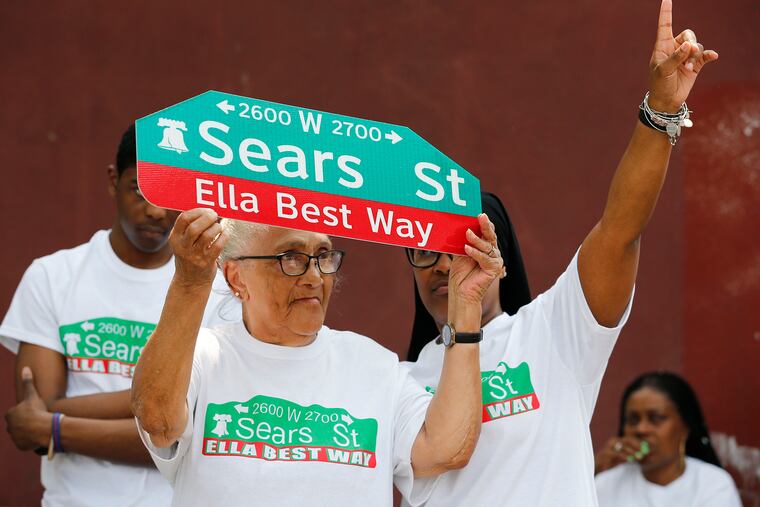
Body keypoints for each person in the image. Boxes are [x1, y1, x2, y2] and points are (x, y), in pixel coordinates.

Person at [399, 1, 719, 505]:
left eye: (465, 248)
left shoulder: (553, 334)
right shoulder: (398, 383)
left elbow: (620, 232)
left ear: (499, 257)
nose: (444, 264)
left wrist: (659, 113)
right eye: (425, 251)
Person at [130, 210, 503, 506]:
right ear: (235, 277)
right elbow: (159, 421)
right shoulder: (202, 356)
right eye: (290, 258)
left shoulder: (374, 367)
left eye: (323, 256)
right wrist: (190, 282)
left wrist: (466, 308)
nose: (313, 275)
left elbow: (445, 449)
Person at [1, 124, 236, 507]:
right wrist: (165, 401)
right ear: (114, 181)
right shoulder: (52, 277)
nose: (156, 210)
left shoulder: (221, 291)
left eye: (170, 195)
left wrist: (54, 426)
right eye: (140, 191)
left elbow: (196, 434)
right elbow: (170, 425)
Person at [595, 372, 741, 506]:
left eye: (656, 418)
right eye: (633, 420)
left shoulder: (713, 485)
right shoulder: (604, 483)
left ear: (684, 427)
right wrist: (590, 471)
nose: (641, 429)